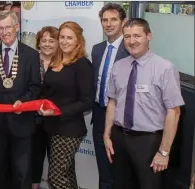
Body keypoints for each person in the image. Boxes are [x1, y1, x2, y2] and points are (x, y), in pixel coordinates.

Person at [104, 18, 184, 189]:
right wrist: (107, 135)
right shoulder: (118, 67)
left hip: (149, 142)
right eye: (127, 37)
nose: (131, 41)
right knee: (121, 184)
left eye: (137, 36)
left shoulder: (165, 68)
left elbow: (174, 112)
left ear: (149, 36)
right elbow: (112, 103)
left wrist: (164, 152)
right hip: (119, 138)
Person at [0, 10, 41, 189]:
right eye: (0, 28)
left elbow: (35, 86)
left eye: (8, 27)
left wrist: (25, 102)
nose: (4, 32)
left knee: (22, 172)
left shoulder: (31, 54)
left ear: (17, 27)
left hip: (22, 122)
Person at [39, 21, 94, 189]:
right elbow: (47, 92)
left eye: (69, 38)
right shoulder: (56, 61)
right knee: (67, 175)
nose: (64, 41)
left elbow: (87, 101)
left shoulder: (82, 64)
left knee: (56, 179)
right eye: (61, 37)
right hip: (51, 127)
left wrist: (57, 111)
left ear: (78, 41)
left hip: (69, 130)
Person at [90, 4, 129, 189]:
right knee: (104, 171)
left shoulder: (131, 49)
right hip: (99, 115)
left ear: (123, 22)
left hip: (122, 120)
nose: (108, 24)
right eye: (105, 20)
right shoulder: (97, 49)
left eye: (113, 19)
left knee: (120, 172)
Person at [31, 26, 59, 189]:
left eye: (51, 40)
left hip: (57, 121)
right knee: (35, 158)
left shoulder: (64, 62)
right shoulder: (31, 60)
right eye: (44, 40)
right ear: (39, 43)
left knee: (58, 163)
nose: (47, 44)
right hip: (34, 120)